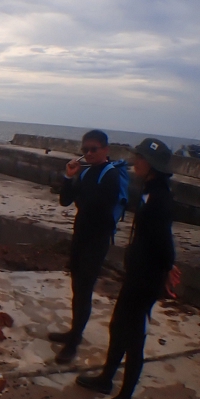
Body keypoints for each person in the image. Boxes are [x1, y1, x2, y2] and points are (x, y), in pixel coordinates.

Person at [75, 138, 180, 399]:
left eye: (141, 158)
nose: (136, 161)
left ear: (153, 165)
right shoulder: (149, 190)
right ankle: (106, 379)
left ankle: (124, 398)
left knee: (134, 337)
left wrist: (167, 268)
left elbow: (164, 240)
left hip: (147, 280)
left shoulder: (160, 198)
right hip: (136, 275)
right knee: (117, 327)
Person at [49, 130, 122, 364]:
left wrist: (80, 193)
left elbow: (97, 208)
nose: (89, 153)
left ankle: (73, 343)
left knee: (84, 291)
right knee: (76, 288)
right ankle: (74, 332)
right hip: (80, 237)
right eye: (85, 150)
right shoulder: (87, 172)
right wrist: (69, 177)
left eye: (94, 149)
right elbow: (65, 201)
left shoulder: (110, 175)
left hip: (96, 241)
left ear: (105, 150)